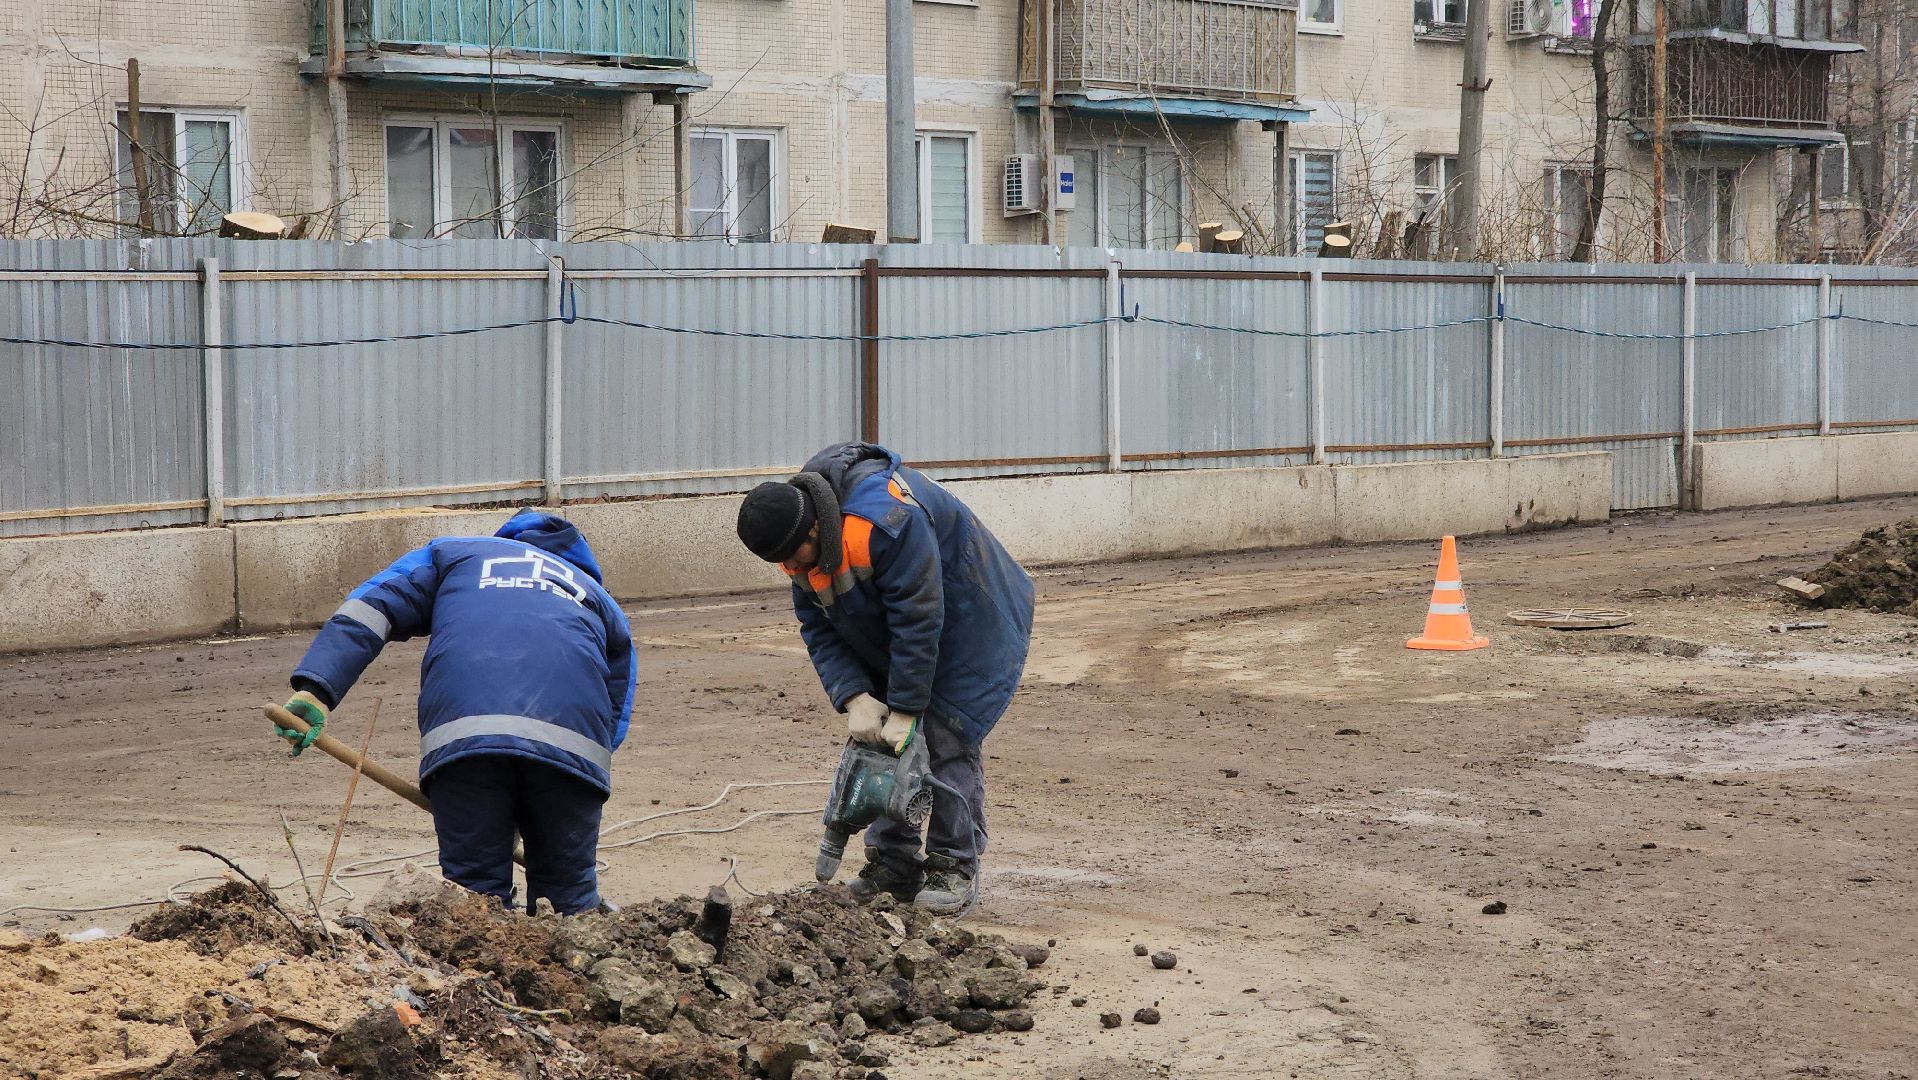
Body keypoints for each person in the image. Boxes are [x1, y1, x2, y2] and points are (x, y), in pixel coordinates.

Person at [277, 510, 634, 915]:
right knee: (569, 899)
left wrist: (316, 689)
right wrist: (548, 784)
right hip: (571, 751)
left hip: (465, 740)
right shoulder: (600, 600)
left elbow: (369, 610)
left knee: (475, 901)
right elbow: (614, 715)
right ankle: (586, 951)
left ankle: (481, 969)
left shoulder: (453, 554)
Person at [735, 442, 1033, 914]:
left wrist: (909, 708)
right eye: (786, 564)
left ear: (815, 525)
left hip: (970, 610)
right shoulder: (797, 541)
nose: (795, 570)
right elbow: (816, 624)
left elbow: (918, 618)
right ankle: (893, 864)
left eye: (798, 557)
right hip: (893, 619)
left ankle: (953, 865)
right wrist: (853, 694)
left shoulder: (886, 520)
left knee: (944, 734)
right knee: (881, 741)